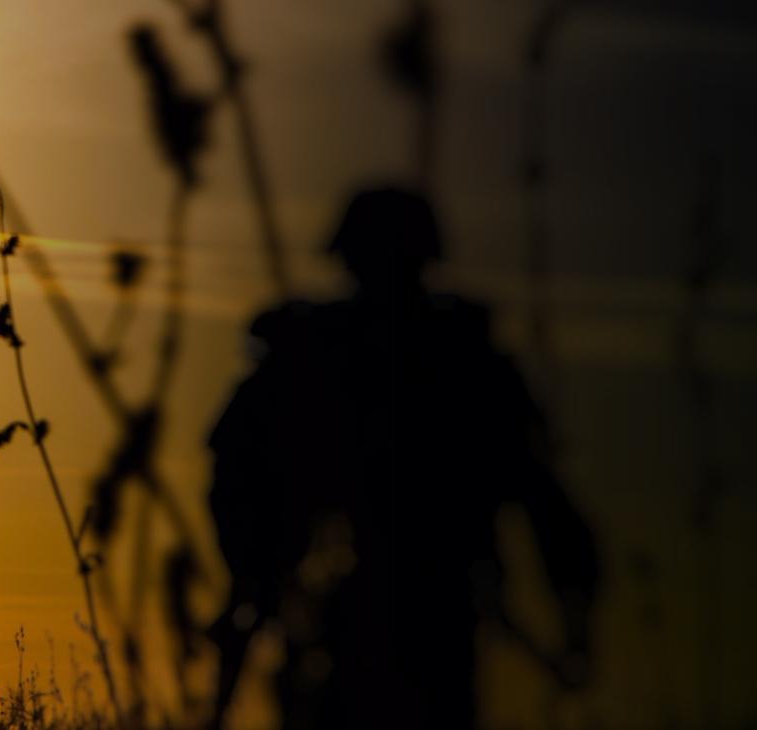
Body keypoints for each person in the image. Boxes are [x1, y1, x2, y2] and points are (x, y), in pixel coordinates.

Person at [206, 187, 597, 728]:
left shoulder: (434, 364)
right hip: (372, 616)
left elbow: (544, 503)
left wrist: (250, 583)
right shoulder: (455, 364)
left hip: (417, 617)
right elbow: (239, 477)